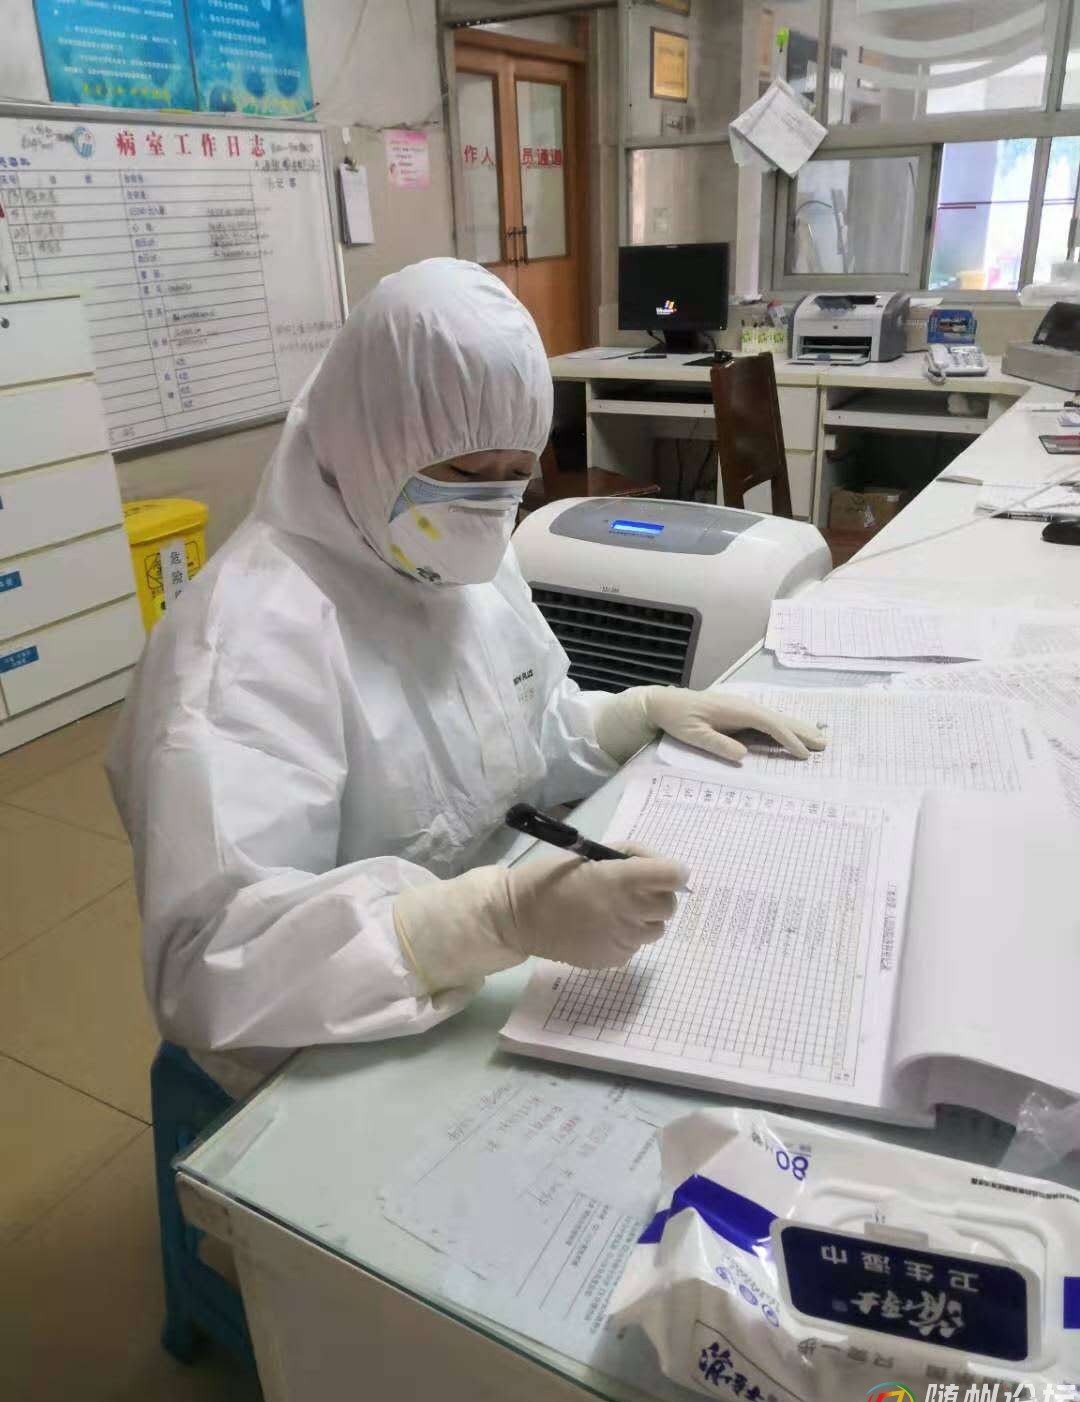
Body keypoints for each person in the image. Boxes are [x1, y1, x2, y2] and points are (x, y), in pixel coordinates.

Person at [108, 258, 824, 1095]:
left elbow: (516, 725)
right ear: (370, 440)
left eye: (514, 473)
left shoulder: (444, 547)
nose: (491, 503)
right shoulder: (244, 644)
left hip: (464, 991)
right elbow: (213, 963)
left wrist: (626, 719)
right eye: (466, 473)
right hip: (308, 1047)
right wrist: (491, 918)